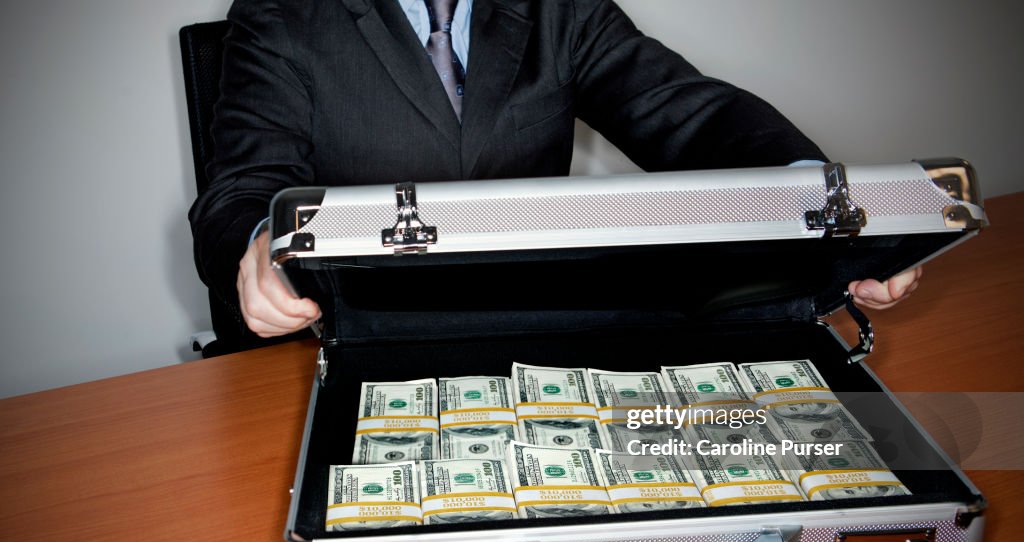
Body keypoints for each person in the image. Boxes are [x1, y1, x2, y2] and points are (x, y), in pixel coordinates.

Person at [189, 0, 920, 340]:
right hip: (366, 334)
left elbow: (687, 112)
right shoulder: (281, 16)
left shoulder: (562, 10)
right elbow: (242, 190)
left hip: (541, 325)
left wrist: (832, 206)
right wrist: (260, 247)